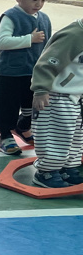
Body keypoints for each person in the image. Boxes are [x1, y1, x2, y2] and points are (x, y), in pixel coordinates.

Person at [0, 0, 52, 155]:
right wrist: (29, 39)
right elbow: (2, 42)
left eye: (43, 0)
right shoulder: (11, 16)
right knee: (7, 106)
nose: (39, 4)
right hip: (10, 73)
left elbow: (48, 45)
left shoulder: (44, 19)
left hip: (33, 73)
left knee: (32, 106)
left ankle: (23, 126)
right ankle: (5, 137)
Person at [30, 17, 83, 188]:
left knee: (76, 137)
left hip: (77, 96)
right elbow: (47, 62)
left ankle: (69, 167)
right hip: (57, 95)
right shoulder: (74, 35)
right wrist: (41, 89)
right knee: (55, 136)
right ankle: (46, 171)